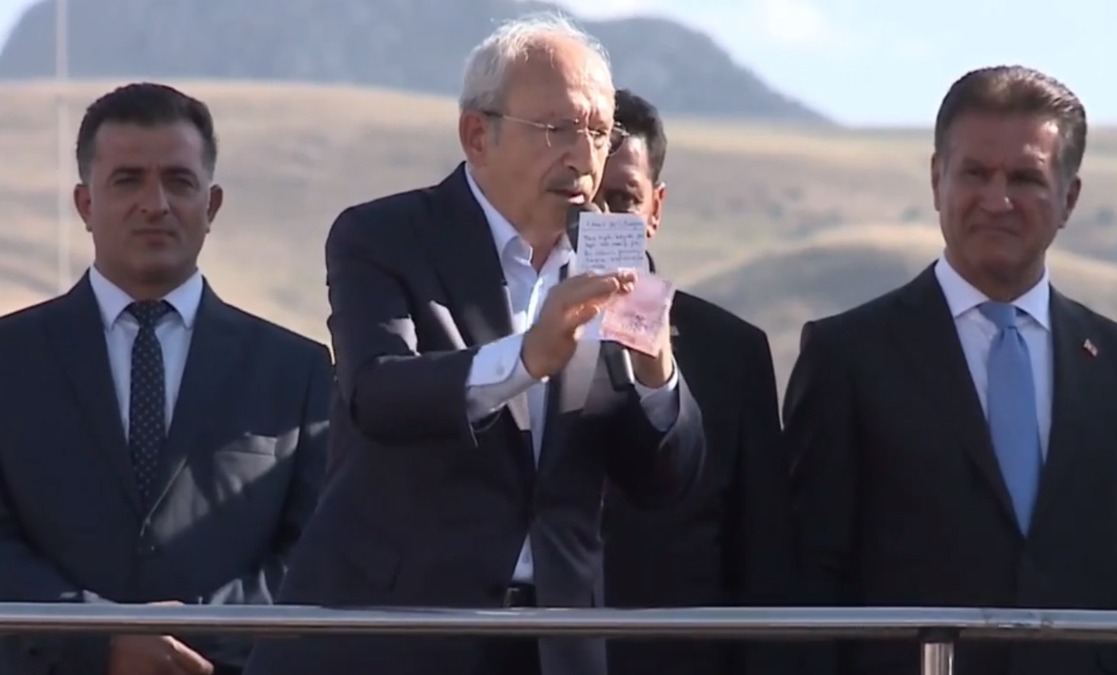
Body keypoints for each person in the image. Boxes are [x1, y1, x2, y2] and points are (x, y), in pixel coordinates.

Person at [243, 14, 705, 675]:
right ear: (477, 135)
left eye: (598, 133)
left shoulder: (618, 262)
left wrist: (658, 378)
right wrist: (525, 359)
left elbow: (666, 482)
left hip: (556, 647)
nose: (583, 158)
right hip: (397, 638)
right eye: (557, 129)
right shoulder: (385, 237)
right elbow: (378, 392)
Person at [781, 64, 1117, 675]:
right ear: (937, 179)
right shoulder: (848, 357)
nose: (997, 200)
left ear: (1069, 198)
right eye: (976, 173)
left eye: (1025, 178)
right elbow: (806, 588)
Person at [0, 83, 332, 675]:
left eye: (179, 181)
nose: (155, 204)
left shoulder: (296, 373)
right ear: (85, 204)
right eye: (127, 180)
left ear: (212, 204)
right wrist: (99, 641)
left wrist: (189, 636)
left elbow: (317, 554)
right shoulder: (11, 360)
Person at [594, 88, 790, 675]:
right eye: (586, 200)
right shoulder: (503, 335)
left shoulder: (731, 354)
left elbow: (765, 562)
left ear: (655, 209)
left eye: (622, 200)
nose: (600, 221)